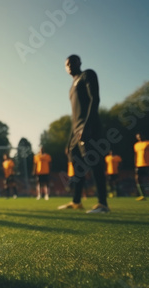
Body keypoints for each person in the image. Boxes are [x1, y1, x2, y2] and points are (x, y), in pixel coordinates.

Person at [58, 55, 109, 213]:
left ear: (79, 62)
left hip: (89, 127)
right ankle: (76, 201)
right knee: (77, 168)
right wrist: (69, 142)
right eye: (67, 64)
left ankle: (102, 203)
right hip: (75, 132)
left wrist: (87, 126)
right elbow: (74, 116)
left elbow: (95, 99)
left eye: (72, 62)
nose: (70, 66)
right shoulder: (71, 87)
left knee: (94, 163)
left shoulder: (87, 74)